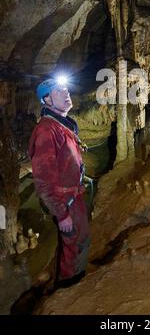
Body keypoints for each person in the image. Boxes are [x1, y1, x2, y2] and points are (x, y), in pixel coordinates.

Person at [28, 77, 90, 289]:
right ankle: (68, 289)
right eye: (58, 91)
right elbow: (43, 180)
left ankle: (68, 280)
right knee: (74, 244)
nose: (66, 93)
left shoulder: (60, 124)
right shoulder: (47, 131)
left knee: (75, 242)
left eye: (66, 89)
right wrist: (62, 214)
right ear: (46, 99)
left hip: (73, 195)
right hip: (66, 201)